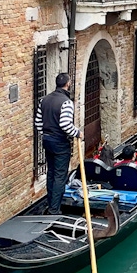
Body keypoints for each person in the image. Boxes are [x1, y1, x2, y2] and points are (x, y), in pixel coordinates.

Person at [34, 73, 82, 215]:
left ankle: (51, 205)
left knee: (51, 173)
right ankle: (54, 210)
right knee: (60, 175)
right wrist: (78, 133)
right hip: (60, 142)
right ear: (68, 84)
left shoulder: (44, 100)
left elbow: (38, 124)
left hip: (47, 140)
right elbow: (65, 124)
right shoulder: (66, 102)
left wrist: (47, 134)